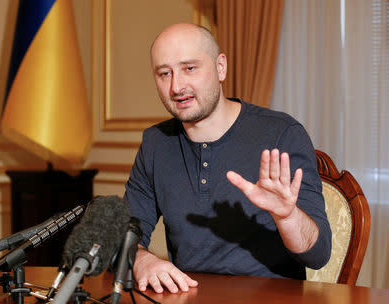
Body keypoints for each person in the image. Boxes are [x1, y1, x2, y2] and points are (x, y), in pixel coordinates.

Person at [124, 23, 332, 294]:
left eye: (190, 68)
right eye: (165, 73)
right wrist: (142, 260)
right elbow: (126, 232)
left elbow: (318, 256)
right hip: (188, 297)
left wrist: (288, 216)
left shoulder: (281, 134)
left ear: (220, 67)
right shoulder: (156, 143)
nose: (176, 86)